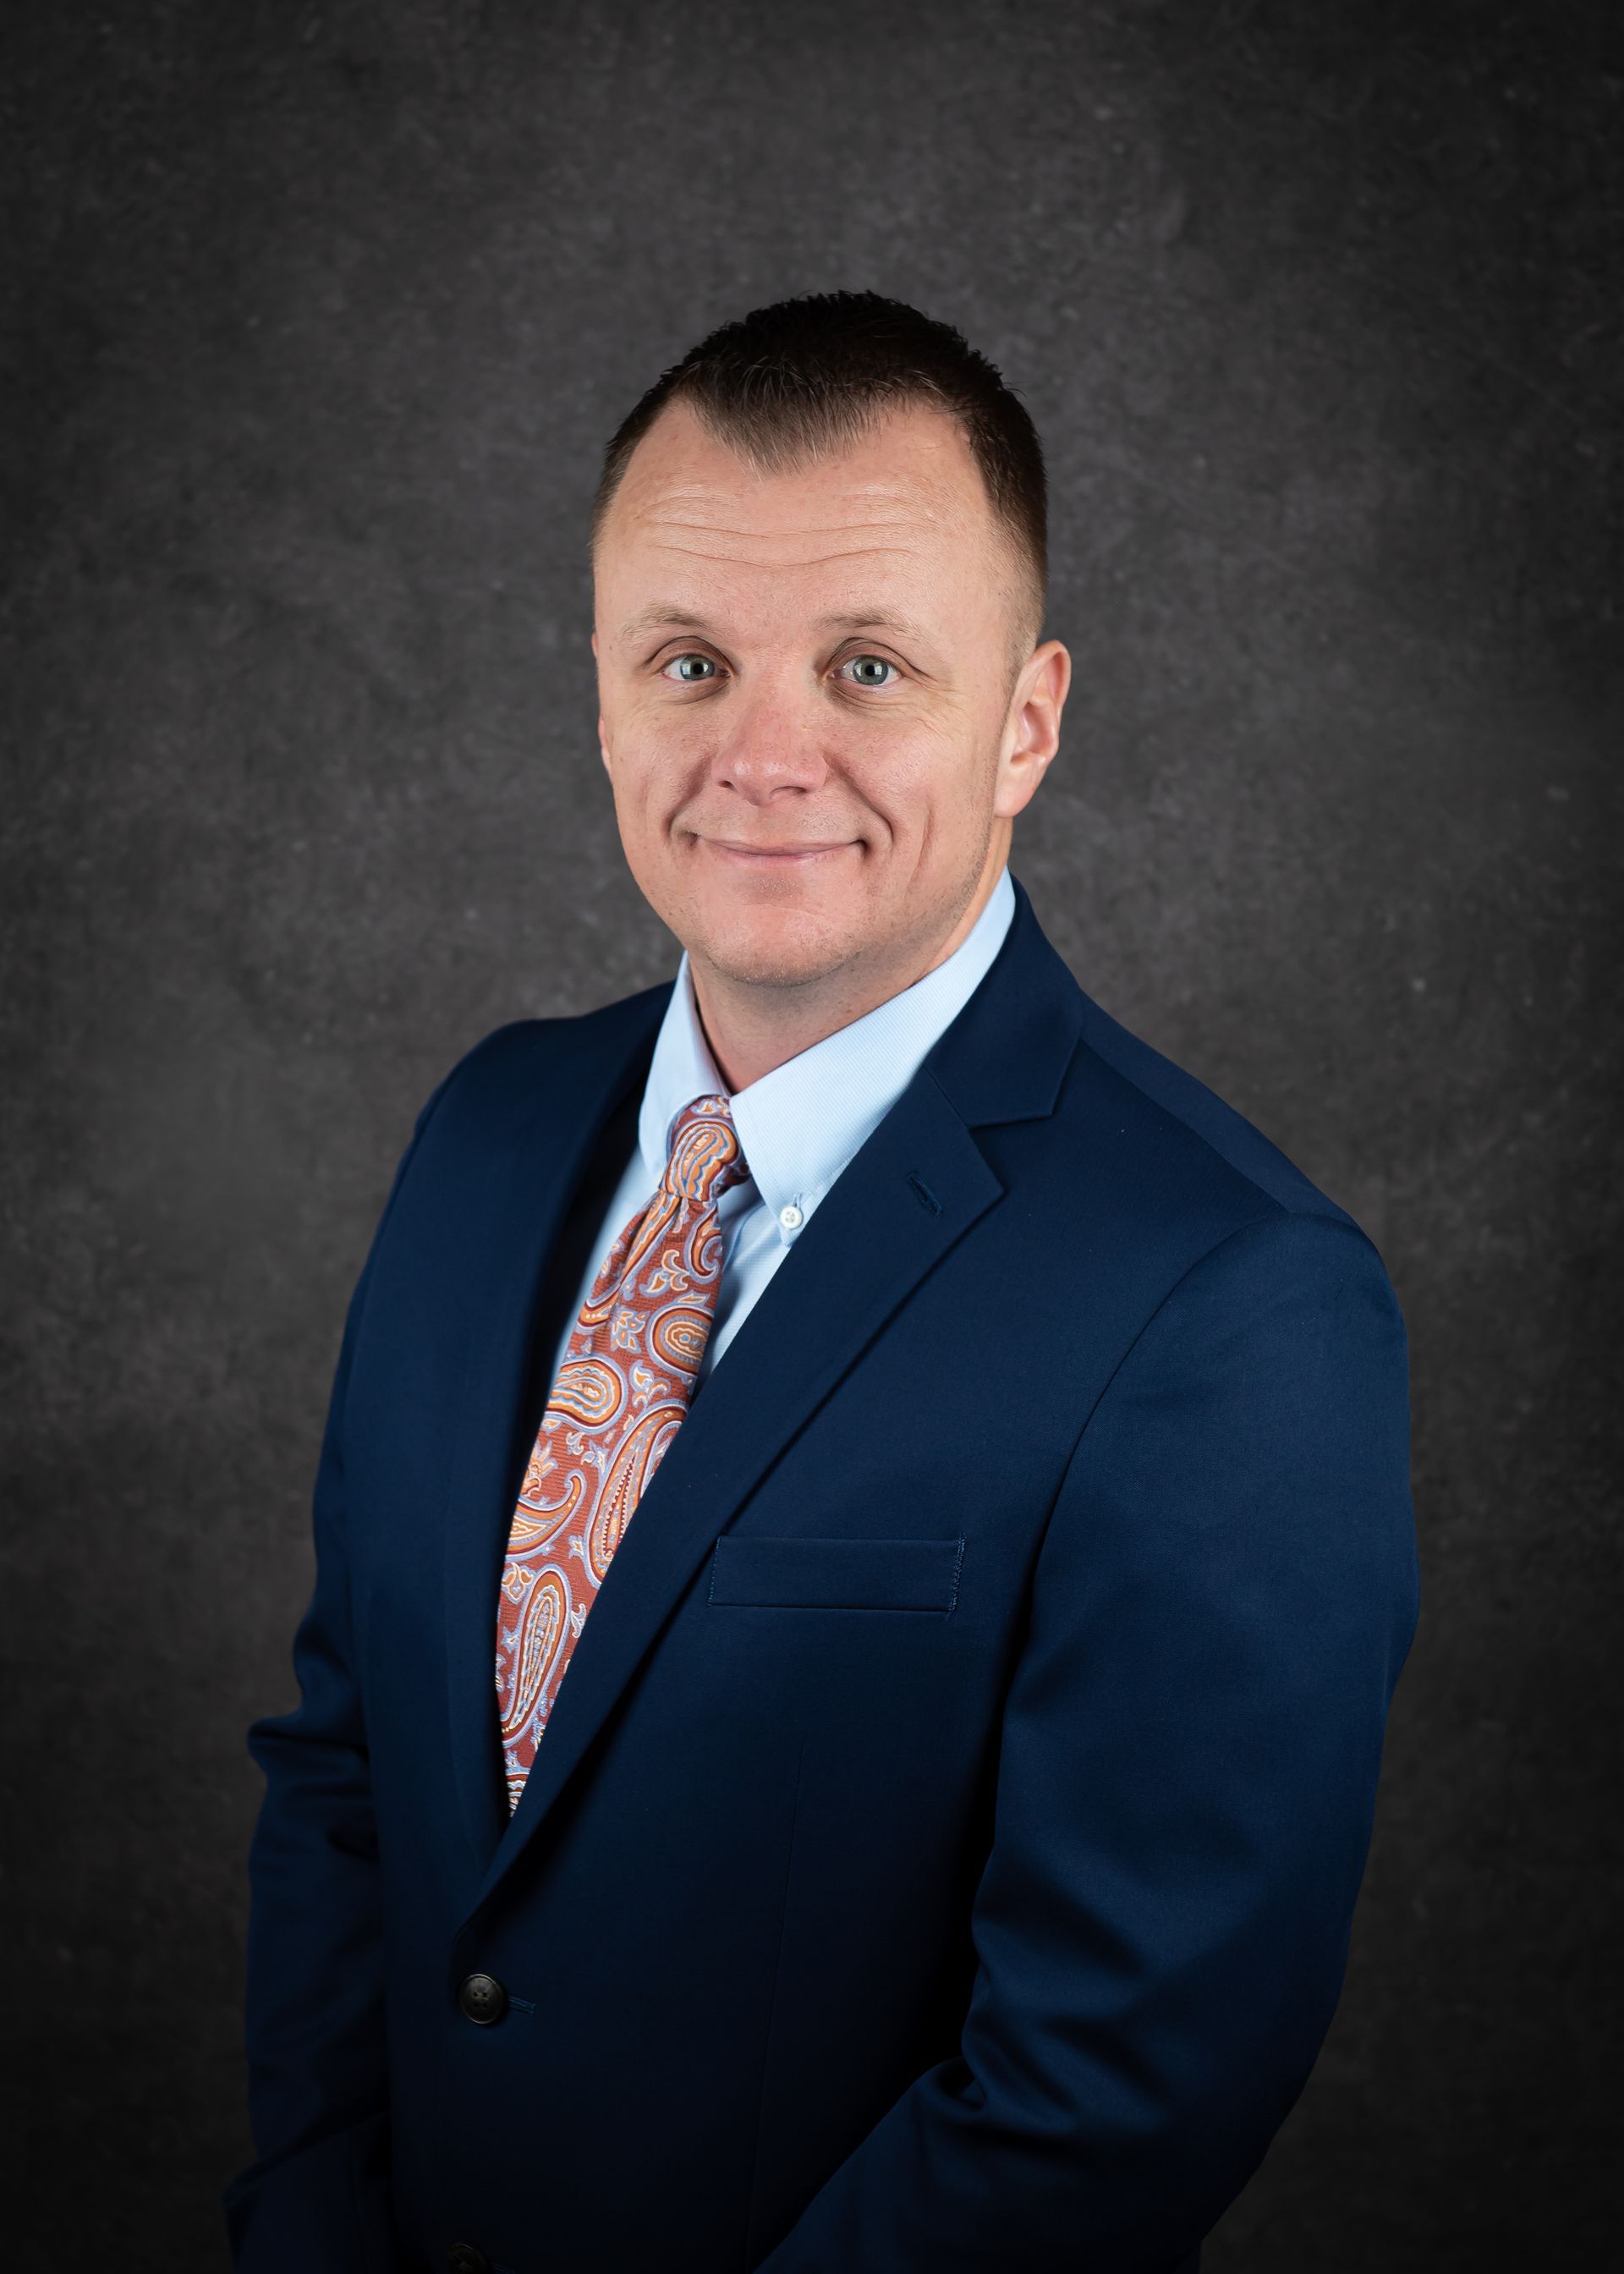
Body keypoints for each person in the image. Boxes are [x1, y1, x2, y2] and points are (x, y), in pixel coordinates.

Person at [224, 291, 1419, 2274]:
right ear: (603, 697)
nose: (763, 755)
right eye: (689, 661)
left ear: (1026, 718)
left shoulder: (1233, 1303)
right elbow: (350, 1778)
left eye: (868, 666)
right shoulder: (489, 1134)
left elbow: (1107, 2093)